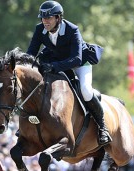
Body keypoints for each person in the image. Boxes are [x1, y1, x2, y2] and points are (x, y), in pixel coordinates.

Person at [27, 0, 112, 145]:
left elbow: (76, 59)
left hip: (79, 63)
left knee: (85, 90)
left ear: (58, 18)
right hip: (58, 61)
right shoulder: (39, 29)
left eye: (48, 18)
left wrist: (54, 66)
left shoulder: (72, 29)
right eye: (43, 18)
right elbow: (30, 54)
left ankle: (102, 127)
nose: (45, 21)